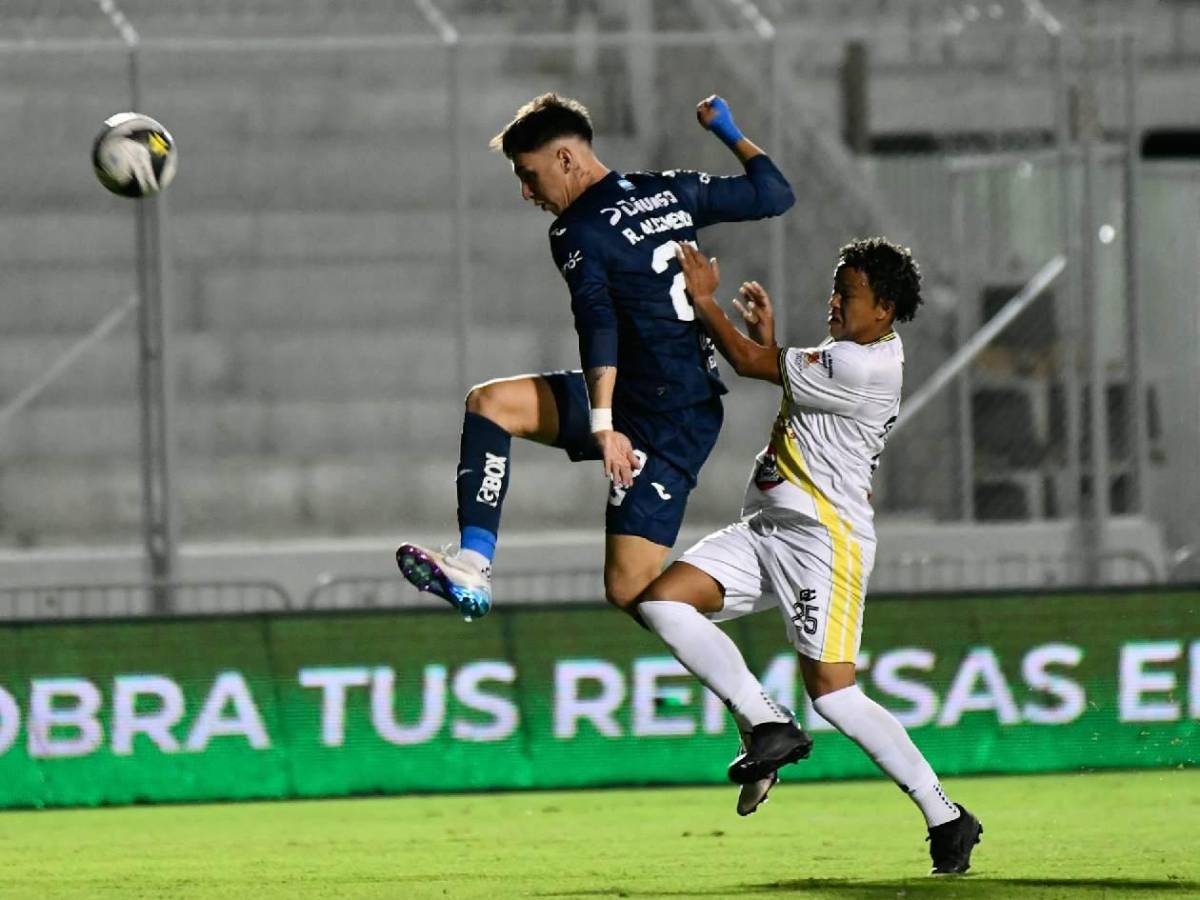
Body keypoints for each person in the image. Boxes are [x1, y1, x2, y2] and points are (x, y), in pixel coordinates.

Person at [631, 239, 982, 874]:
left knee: (836, 696)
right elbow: (780, 374)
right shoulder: (853, 354)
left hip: (823, 541)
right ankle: (765, 723)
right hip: (767, 528)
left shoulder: (865, 367)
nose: (836, 301)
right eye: (835, 290)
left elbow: (745, 363)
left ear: (885, 309)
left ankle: (946, 815)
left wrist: (704, 300)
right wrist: (765, 337)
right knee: (659, 602)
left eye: (847, 295)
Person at [396, 93, 794, 621]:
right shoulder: (669, 191)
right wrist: (727, 129)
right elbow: (774, 193)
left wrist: (603, 424)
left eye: (528, 174)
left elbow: (597, 321)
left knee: (635, 592)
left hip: (670, 416)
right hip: (634, 392)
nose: (525, 191)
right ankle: (473, 564)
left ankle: (775, 617)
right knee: (490, 403)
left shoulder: (575, 229)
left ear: (565, 159)